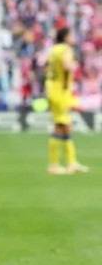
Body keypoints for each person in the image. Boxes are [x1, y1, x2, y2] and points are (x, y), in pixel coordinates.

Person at [45, 27, 89, 175]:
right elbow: (65, 65)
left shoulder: (54, 49)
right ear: (65, 37)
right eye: (71, 35)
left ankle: (71, 162)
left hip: (53, 89)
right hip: (60, 91)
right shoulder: (65, 50)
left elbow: (48, 66)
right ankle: (54, 165)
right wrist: (72, 68)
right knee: (60, 125)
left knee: (65, 126)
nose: (73, 37)